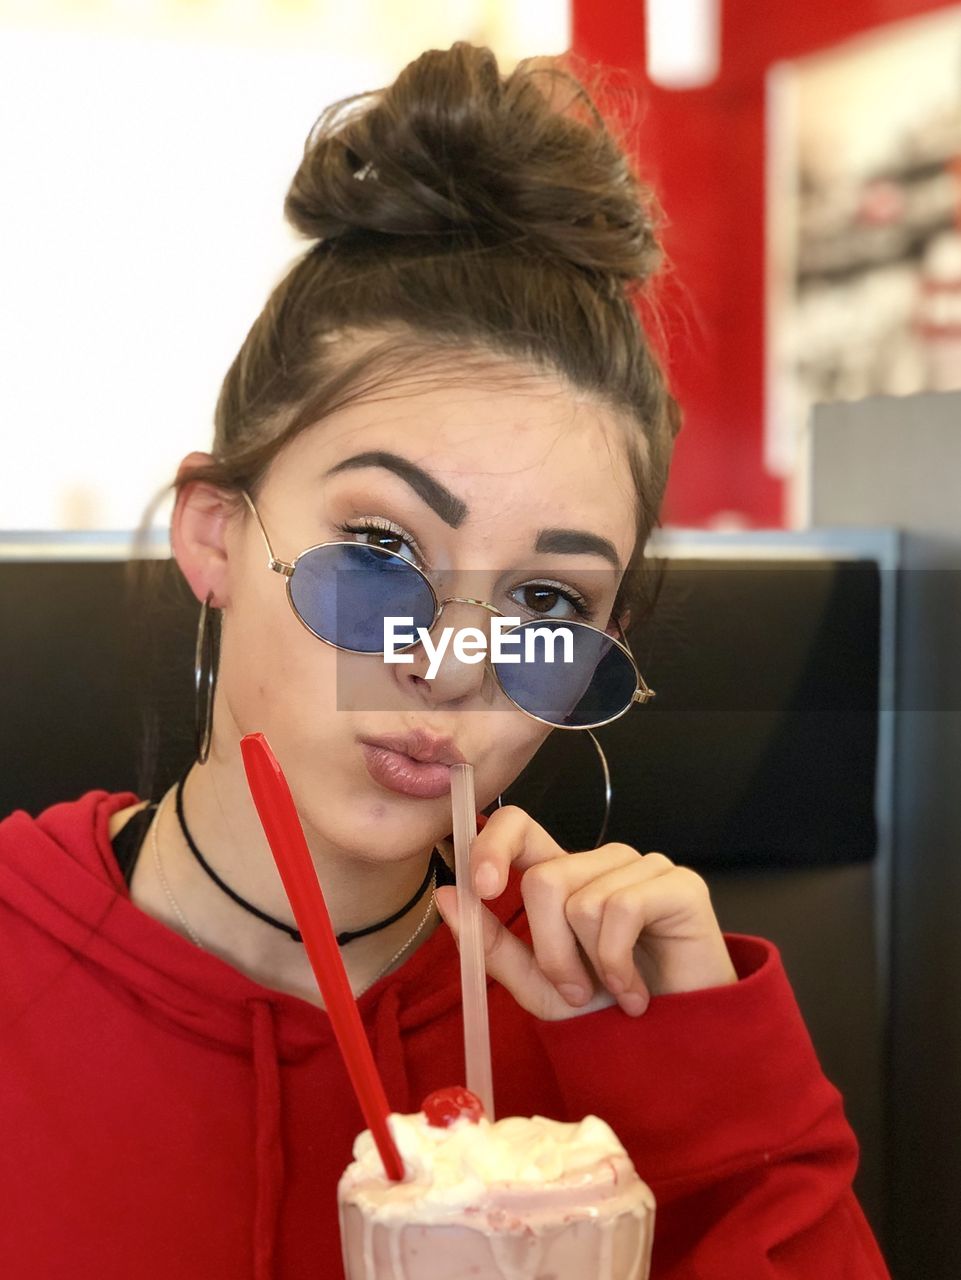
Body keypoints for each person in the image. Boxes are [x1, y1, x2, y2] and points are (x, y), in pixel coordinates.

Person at [0, 42, 889, 1280]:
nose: (452, 665)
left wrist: (710, 1091)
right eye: (378, 548)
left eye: (543, 598)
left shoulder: (606, 1033)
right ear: (216, 532)